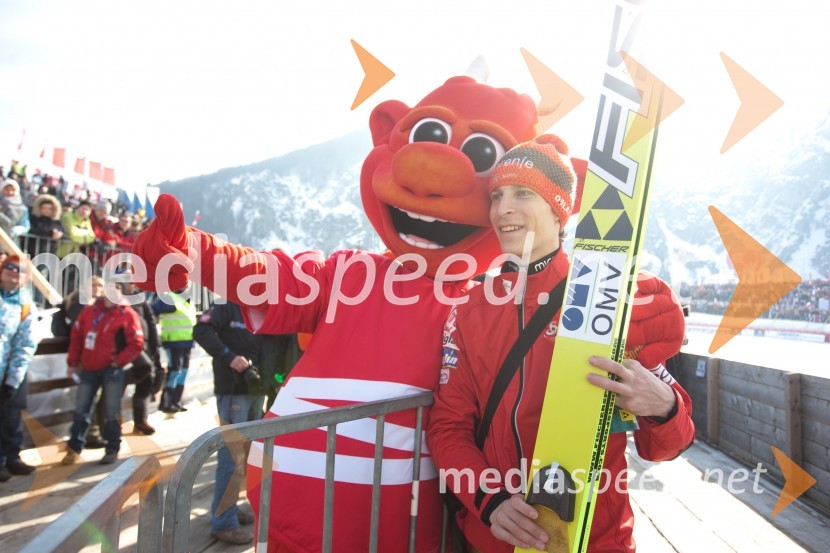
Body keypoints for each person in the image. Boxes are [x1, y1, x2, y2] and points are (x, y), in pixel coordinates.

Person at [427, 135, 695, 553]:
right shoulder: (471, 309)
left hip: (594, 539)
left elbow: (667, 446)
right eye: (496, 196)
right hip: (495, 537)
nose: (503, 209)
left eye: (522, 193)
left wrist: (664, 405)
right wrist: (489, 500)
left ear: (558, 210)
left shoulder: (608, 298)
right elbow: (448, 426)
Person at [193, 301, 295, 545]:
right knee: (231, 457)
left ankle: (228, 508)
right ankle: (224, 522)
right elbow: (201, 331)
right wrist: (230, 357)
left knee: (247, 456)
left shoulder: (264, 309)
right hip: (233, 390)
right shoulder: (226, 306)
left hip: (256, 388)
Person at [62, 279, 144, 465]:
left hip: (111, 370)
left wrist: (118, 361)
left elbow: (137, 343)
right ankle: (74, 448)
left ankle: (112, 448)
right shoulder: (89, 311)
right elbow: (77, 337)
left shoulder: (126, 313)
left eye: (115, 289)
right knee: (82, 409)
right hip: (89, 367)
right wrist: (72, 363)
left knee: (111, 409)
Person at [0, 255, 38, 481]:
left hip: (9, 372)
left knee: (10, 415)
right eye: (10, 267)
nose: (14, 272)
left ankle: (11, 457)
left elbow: (25, 344)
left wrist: (12, 380)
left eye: (20, 270)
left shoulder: (25, 305)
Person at [116, 275, 164, 435]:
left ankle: (141, 420)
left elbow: (150, 321)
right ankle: (113, 420)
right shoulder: (115, 298)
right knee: (117, 384)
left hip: (143, 345)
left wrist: (155, 345)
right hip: (123, 348)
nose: (132, 284)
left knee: (146, 381)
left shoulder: (139, 298)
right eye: (129, 282)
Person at [153, 290, 196, 414]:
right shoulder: (169, 298)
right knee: (175, 370)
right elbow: (153, 310)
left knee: (183, 371)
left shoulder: (187, 299)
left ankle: (176, 401)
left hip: (187, 341)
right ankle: (166, 402)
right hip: (173, 341)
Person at [26, 194, 64, 258]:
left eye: (50, 209)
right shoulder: (33, 218)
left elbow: (62, 231)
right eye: (44, 208)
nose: (47, 210)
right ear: (39, 208)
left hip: (49, 254)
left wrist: (60, 234)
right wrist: (50, 233)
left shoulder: (56, 221)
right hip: (33, 252)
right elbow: (31, 230)